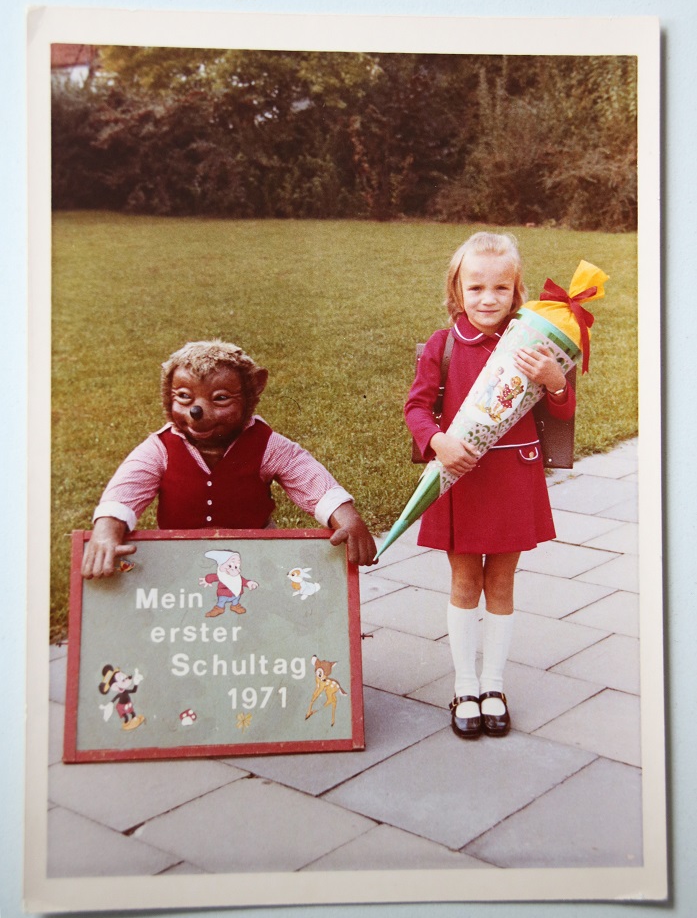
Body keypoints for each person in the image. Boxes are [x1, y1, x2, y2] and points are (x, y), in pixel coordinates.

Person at [405, 232, 575, 740]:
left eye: (501, 288)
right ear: (456, 290)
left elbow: (560, 413)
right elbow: (416, 408)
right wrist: (436, 442)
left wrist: (554, 379)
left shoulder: (532, 345)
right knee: (464, 582)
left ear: (516, 291)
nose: (487, 299)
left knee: (501, 583)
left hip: (513, 479)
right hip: (462, 479)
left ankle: (494, 685)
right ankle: (464, 684)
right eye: (475, 287)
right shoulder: (444, 346)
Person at [82, 339, 376, 578]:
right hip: (178, 557)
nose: (196, 411)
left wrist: (346, 517)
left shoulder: (265, 444)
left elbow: (307, 476)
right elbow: (128, 485)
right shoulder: (161, 447)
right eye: (184, 397)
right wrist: (107, 529)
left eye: (220, 398)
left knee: (258, 615)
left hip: (254, 555)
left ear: (250, 393)